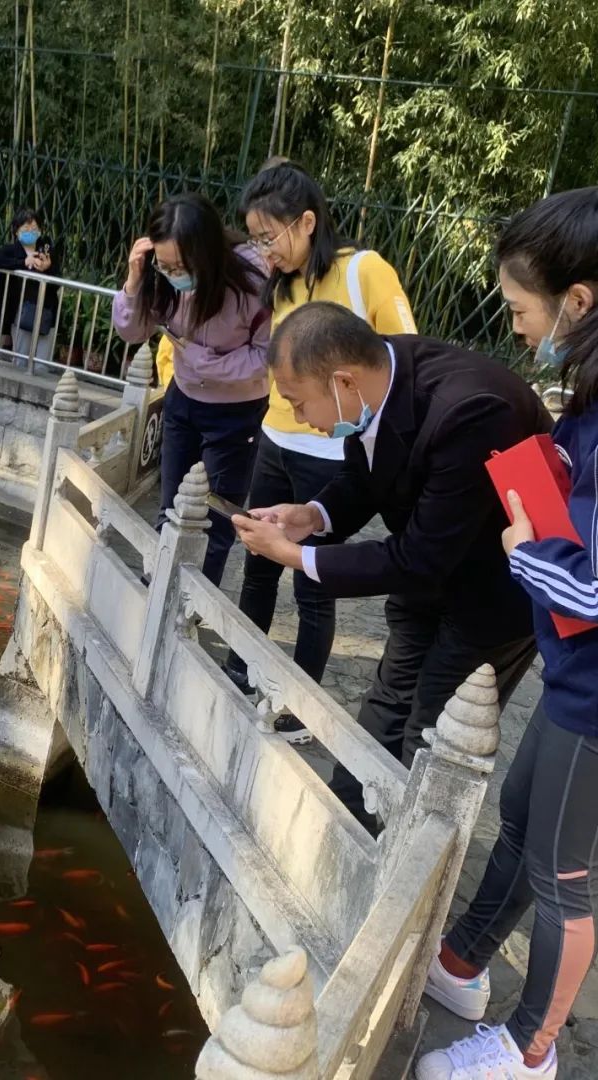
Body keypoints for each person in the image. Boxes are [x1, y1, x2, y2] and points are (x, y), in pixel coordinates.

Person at [232, 302, 548, 827]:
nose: (299, 418)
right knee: (386, 704)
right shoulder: (380, 374)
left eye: (299, 403)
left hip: (491, 596)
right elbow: (364, 479)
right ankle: (343, 828)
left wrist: (294, 556)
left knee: (432, 733)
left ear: (343, 382)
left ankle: (400, 854)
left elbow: (419, 557)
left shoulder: (471, 411)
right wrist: (311, 515)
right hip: (426, 583)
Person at [416, 188, 598, 1080]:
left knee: (566, 876)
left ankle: (530, 1051)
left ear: (579, 301)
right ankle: (461, 965)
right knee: (523, 819)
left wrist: (528, 552)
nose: (519, 330)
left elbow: (595, 583)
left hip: (594, 692)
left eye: (524, 311)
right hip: (573, 675)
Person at [228, 160, 418, 745]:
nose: (264, 251)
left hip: (333, 452)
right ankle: (240, 671)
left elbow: (406, 353)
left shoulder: (364, 271)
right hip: (276, 440)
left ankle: (301, 705)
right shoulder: (282, 284)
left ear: (306, 222)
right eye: (256, 240)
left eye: (269, 237)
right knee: (258, 561)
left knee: (313, 584)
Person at [112, 193, 270, 585]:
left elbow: (268, 357)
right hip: (183, 400)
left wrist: (208, 363)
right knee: (171, 507)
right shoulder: (160, 277)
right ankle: (155, 593)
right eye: (165, 266)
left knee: (214, 520)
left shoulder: (252, 281)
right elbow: (132, 330)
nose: (174, 276)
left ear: (207, 253)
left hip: (235, 414)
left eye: (181, 267)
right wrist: (134, 280)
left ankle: (191, 606)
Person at [0, 209, 62, 369]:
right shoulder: (12, 250)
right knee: (21, 360)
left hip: (45, 311)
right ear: (16, 231)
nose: (30, 232)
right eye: (26, 228)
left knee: (42, 364)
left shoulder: (47, 251)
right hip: (21, 311)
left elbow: (57, 280)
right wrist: (23, 263)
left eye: (34, 228)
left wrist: (47, 269)